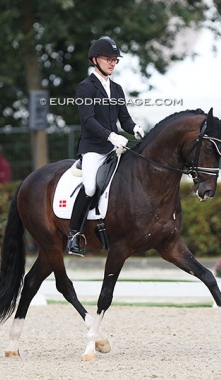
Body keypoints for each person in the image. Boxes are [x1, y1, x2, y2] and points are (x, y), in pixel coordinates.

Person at [67, 36, 145, 257]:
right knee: (90, 187)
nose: (113, 63)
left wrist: (135, 128)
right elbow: (88, 121)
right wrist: (111, 136)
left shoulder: (117, 89)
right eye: (108, 59)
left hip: (114, 147)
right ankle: (74, 234)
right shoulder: (85, 88)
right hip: (93, 148)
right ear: (95, 60)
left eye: (115, 60)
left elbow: (125, 119)